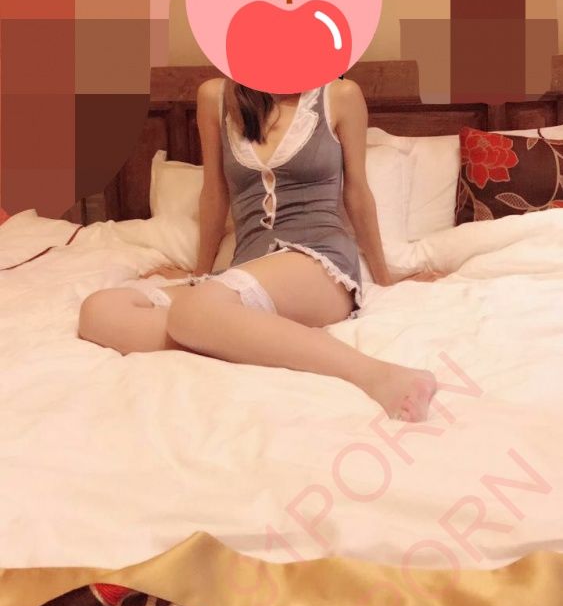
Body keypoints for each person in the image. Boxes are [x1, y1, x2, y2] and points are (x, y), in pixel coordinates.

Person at [79, 78, 442, 421]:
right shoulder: (215, 97)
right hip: (245, 270)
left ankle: (377, 375)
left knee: (195, 310)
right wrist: (200, 272)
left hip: (319, 261)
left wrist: (385, 278)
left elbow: (358, 194)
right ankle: (252, 336)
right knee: (100, 312)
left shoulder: (339, 96)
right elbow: (214, 193)